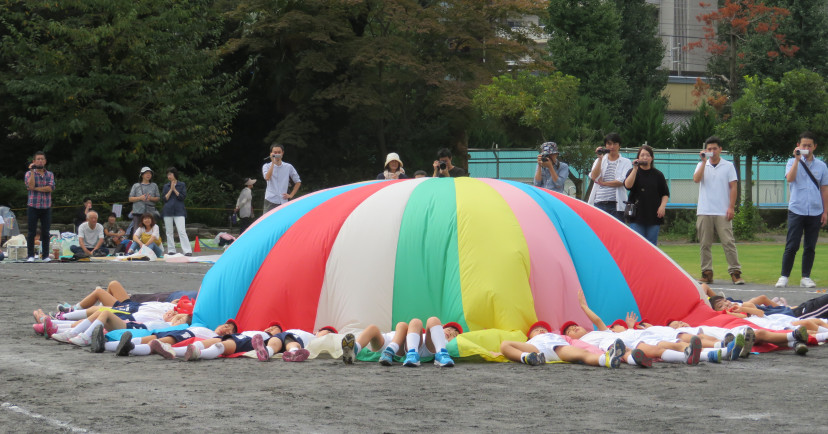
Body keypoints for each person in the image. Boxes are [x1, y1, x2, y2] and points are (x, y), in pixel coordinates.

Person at [775, 132, 828, 288]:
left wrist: (825, 212)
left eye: (809, 146)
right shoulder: (792, 162)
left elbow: (824, 189)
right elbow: (790, 179)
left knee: (810, 246)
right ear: (798, 146)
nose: (806, 148)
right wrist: (798, 160)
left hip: (815, 210)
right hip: (796, 209)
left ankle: (806, 276)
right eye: (803, 145)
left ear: (814, 147)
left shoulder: (822, 166)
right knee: (792, 244)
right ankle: (784, 276)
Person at [693, 136, 744, 285]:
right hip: (704, 210)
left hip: (722, 210)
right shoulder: (701, 165)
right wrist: (703, 162)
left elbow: (733, 186)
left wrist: (731, 207)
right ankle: (707, 273)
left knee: (728, 242)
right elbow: (696, 179)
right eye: (709, 149)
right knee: (704, 243)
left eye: (715, 148)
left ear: (720, 149)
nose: (712, 151)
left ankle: (735, 272)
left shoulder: (728, 166)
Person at [499, 321, 624, 368]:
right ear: (529, 336)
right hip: (536, 349)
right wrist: (499, 353)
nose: (541, 330)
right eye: (536, 330)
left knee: (583, 354)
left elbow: (580, 345)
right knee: (504, 344)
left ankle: (606, 359)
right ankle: (527, 358)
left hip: (558, 347)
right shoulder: (529, 342)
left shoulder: (559, 337)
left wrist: (599, 352)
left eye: (543, 328)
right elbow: (509, 349)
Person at [624, 145, 670, 245]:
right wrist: (635, 169)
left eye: (648, 155)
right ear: (638, 157)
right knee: (637, 244)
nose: (645, 157)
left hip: (653, 215)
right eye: (642, 155)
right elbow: (627, 185)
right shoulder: (633, 172)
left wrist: (662, 206)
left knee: (651, 245)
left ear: (652, 158)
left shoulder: (658, 175)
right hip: (636, 215)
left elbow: (665, 193)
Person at [588, 133, 632, 221]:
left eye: (615, 144)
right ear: (605, 146)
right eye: (609, 144)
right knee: (598, 232)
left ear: (619, 146)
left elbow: (622, 181)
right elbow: (594, 177)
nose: (612, 147)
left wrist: (604, 183)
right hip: (599, 202)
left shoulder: (626, 162)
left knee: (616, 233)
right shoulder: (599, 160)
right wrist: (600, 158)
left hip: (616, 204)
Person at [24, 151, 55, 262]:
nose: (40, 161)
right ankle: (30, 255)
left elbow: (50, 188)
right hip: (33, 206)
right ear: (34, 161)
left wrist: (36, 189)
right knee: (31, 232)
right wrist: (32, 171)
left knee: (46, 232)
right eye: (38, 159)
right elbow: (30, 185)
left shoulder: (50, 174)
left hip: (46, 207)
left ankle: (45, 256)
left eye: (42, 159)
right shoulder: (28, 174)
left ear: (45, 161)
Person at [262, 143, 301, 214]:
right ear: (271, 153)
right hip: (270, 200)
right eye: (275, 152)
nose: (277, 154)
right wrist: (273, 163)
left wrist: (291, 195)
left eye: (279, 152)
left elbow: (298, 181)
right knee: (268, 222)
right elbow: (267, 177)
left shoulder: (288, 167)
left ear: (282, 153)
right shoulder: (266, 166)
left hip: (283, 200)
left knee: (283, 223)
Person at [161, 167, 192, 256]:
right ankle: (171, 250)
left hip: (179, 210)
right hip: (168, 210)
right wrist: (171, 189)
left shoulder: (181, 185)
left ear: (175, 174)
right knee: (169, 231)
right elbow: (164, 199)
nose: (169, 176)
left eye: (170, 174)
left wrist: (174, 189)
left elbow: (182, 197)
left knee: (181, 231)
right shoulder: (166, 186)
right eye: (168, 175)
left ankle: (187, 250)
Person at [128, 167, 160, 233]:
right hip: (137, 211)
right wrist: (140, 198)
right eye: (146, 173)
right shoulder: (135, 185)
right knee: (137, 229)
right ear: (142, 175)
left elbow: (158, 198)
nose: (148, 175)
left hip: (150, 212)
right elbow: (130, 199)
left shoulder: (154, 185)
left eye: (150, 173)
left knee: (151, 229)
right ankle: (137, 242)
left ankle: (150, 242)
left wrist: (150, 198)